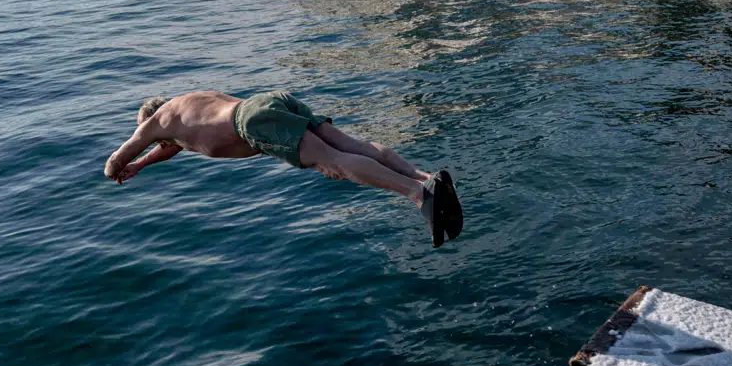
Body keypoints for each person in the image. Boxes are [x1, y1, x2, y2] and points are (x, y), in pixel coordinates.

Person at [104, 91, 464, 247]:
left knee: (334, 163)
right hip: (268, 102)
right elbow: (171, 148)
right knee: (350, 146)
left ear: (151, 120)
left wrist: (120, 166)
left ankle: (419, 195)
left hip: (253, 122)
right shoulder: (187, 105)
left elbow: (113, 162)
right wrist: (142, 165)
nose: (158, 145)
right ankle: (425, 178)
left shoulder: (155, 121)